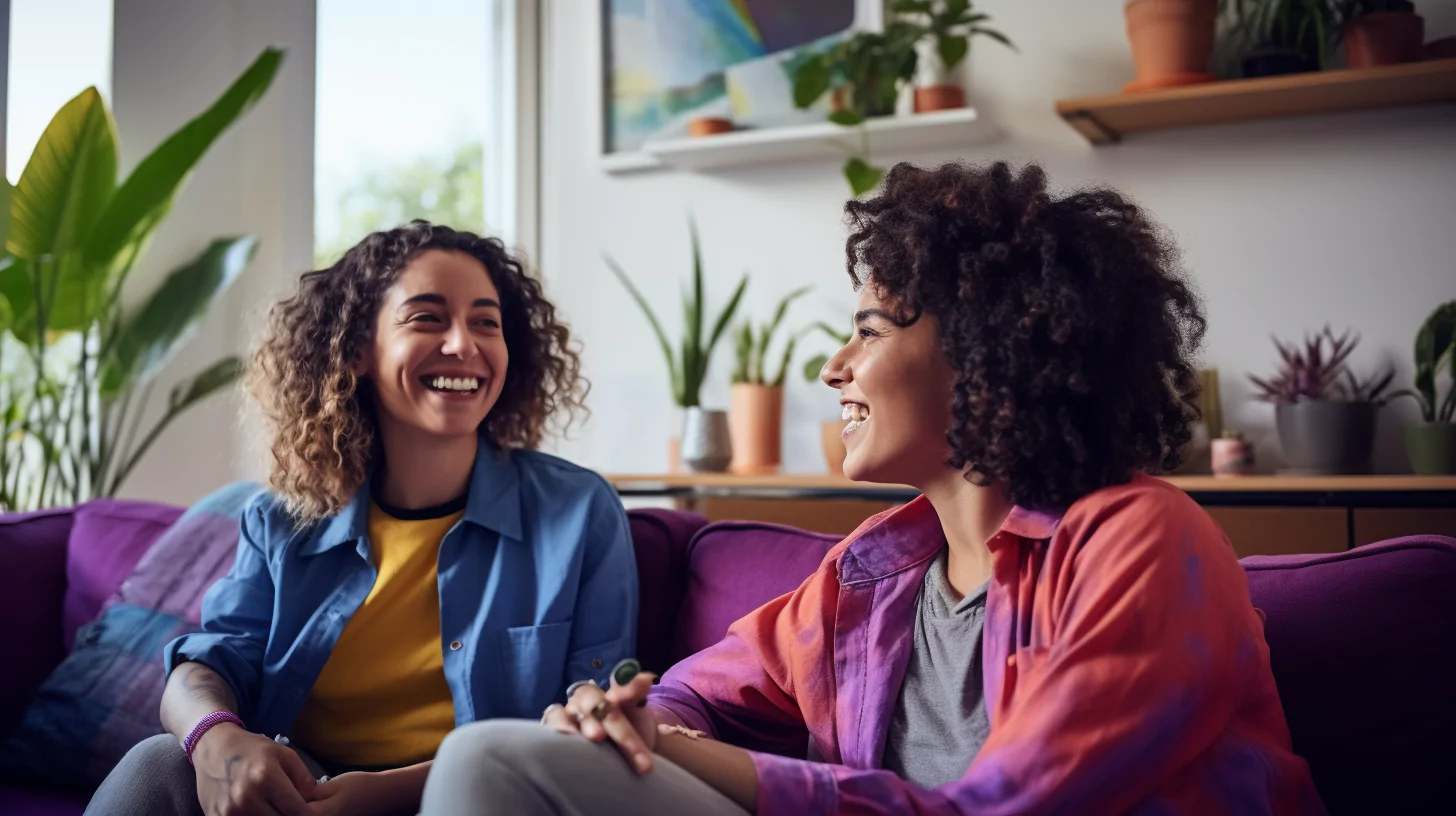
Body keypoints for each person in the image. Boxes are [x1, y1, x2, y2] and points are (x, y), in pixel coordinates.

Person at [417, 162, 1327, 816]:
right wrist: (625, 717)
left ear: (986, 346)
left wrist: (693, 759)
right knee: (500, 760)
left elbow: (1001, 808)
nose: (833, 366)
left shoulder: (1142, 541)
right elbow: (687, 694)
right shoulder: (877, 570)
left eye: (867, 329)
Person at [87, 222, 638, 816]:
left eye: (486, 322)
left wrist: (389, 793)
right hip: (304, 792)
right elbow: (210, 660)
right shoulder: (281, 519)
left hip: (480, 793)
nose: (463, 344)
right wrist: (214, 739)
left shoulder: (579, 512)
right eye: (427, 318)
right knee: (156, 762)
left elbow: (589, 717)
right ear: (356, 353)